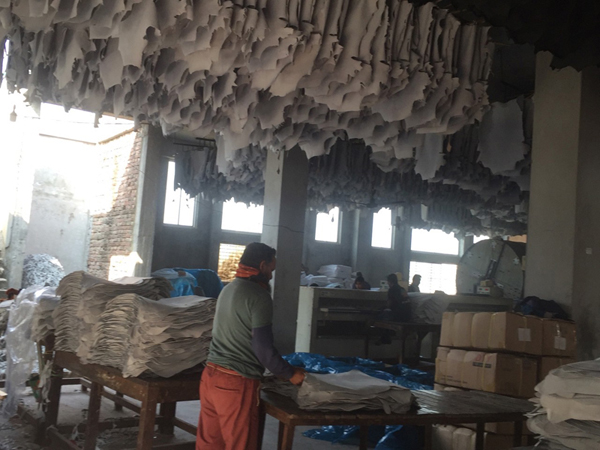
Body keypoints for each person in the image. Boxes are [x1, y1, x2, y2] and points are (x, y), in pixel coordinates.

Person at [197, 242, 305, 450]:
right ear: (262, 265)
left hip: (210, 377)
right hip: (236, 383)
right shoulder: (259, 296)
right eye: (271, 269)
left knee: (210, 445)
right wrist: (290, 373)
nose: (271, 276)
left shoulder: (228, 289)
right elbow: (263, 348)